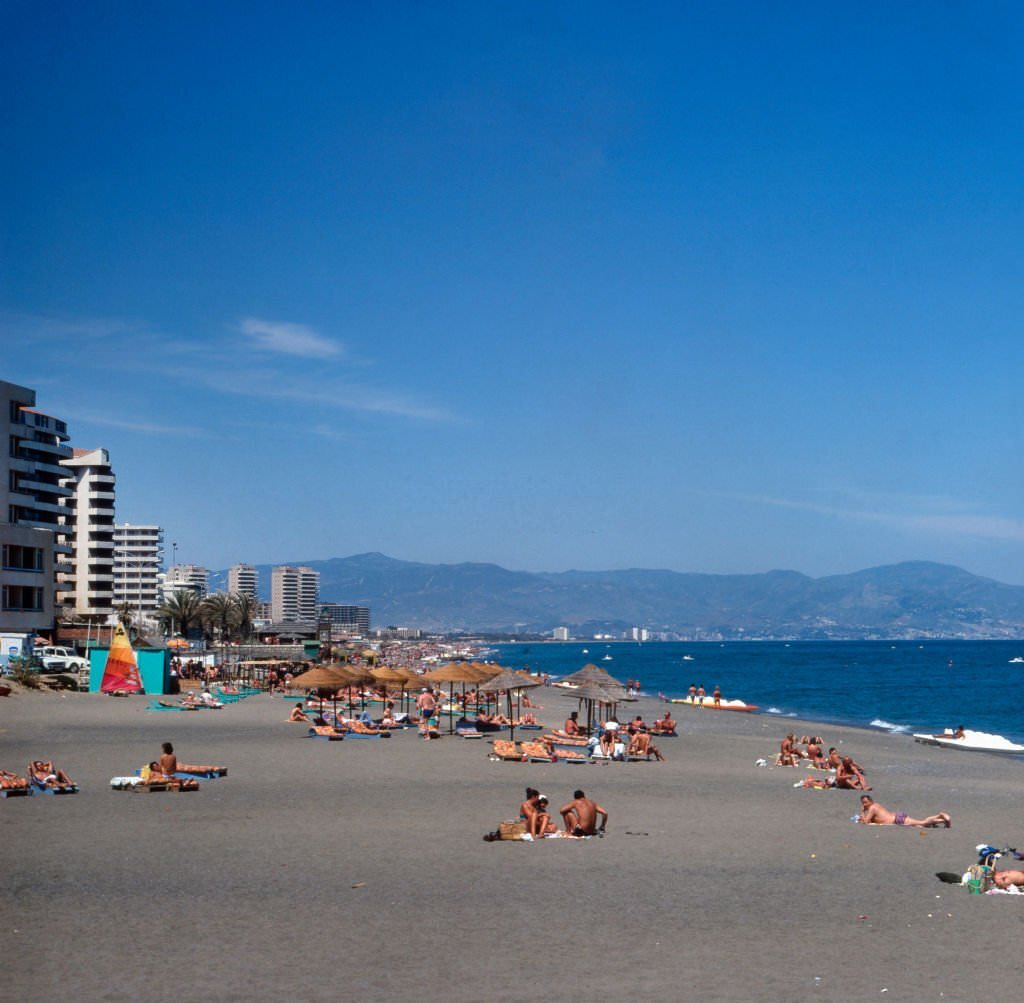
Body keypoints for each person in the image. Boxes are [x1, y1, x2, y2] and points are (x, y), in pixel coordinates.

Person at [857, 795, 950, 828]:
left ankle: (941, 816)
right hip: (898, 817)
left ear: (871, 801)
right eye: (863, 803)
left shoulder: (872, 808)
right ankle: (941, 819)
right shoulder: (876, 805)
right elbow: (875, 819)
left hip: (897, 819)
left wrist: (862, 812)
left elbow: (866, 822)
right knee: (921, 824)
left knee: (923, 823)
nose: (865, 805)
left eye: (866, 802)